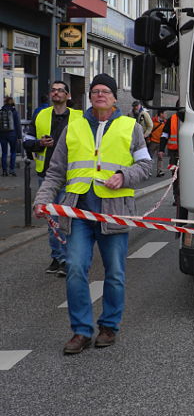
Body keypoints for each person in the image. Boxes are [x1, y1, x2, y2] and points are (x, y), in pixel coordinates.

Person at [33, 74, 151, 354]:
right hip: (78, 212)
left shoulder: (130, 127)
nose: (99, 95)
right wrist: (42, 200)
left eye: (105, 91)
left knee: (115, 273)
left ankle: (109, 326)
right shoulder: (73, 128)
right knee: (74, 269)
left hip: (113, 213)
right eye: (95, 91)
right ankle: (81, 331)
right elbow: (56, 172)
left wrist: (124, 175)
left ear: (114, 97)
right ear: (89, 97)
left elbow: (145, 166)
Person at [24, 81, 83, 276]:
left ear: (68, 96)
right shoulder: (41, 114)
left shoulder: (79, 116)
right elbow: (27, 140)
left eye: (60, 90)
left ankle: (68, 259)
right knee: (51, 220)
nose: (56, 93)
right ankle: (57, 257)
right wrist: (39, 143)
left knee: (65, 219)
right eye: (53, 90)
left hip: (70, 176)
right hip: (46, 175)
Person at [0, 96, 22, 176]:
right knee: (13, 152)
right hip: (13, 134)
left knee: (4, 153)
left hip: (2, 135)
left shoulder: (1, 111)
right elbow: (18, 125)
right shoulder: (14, 112)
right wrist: (19, 137)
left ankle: (4, 170)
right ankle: (12, 170)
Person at [149, 109, 167, 177]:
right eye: (164, 113)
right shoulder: (153, 121)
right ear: (161, 114)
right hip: (153, 141)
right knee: (150, 157)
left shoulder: (165, 122)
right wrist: (148, 139)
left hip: (161, 143)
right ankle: (148, 171)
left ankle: (160, 171)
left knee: (160, 157)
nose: (166, 115)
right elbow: (149, 129)